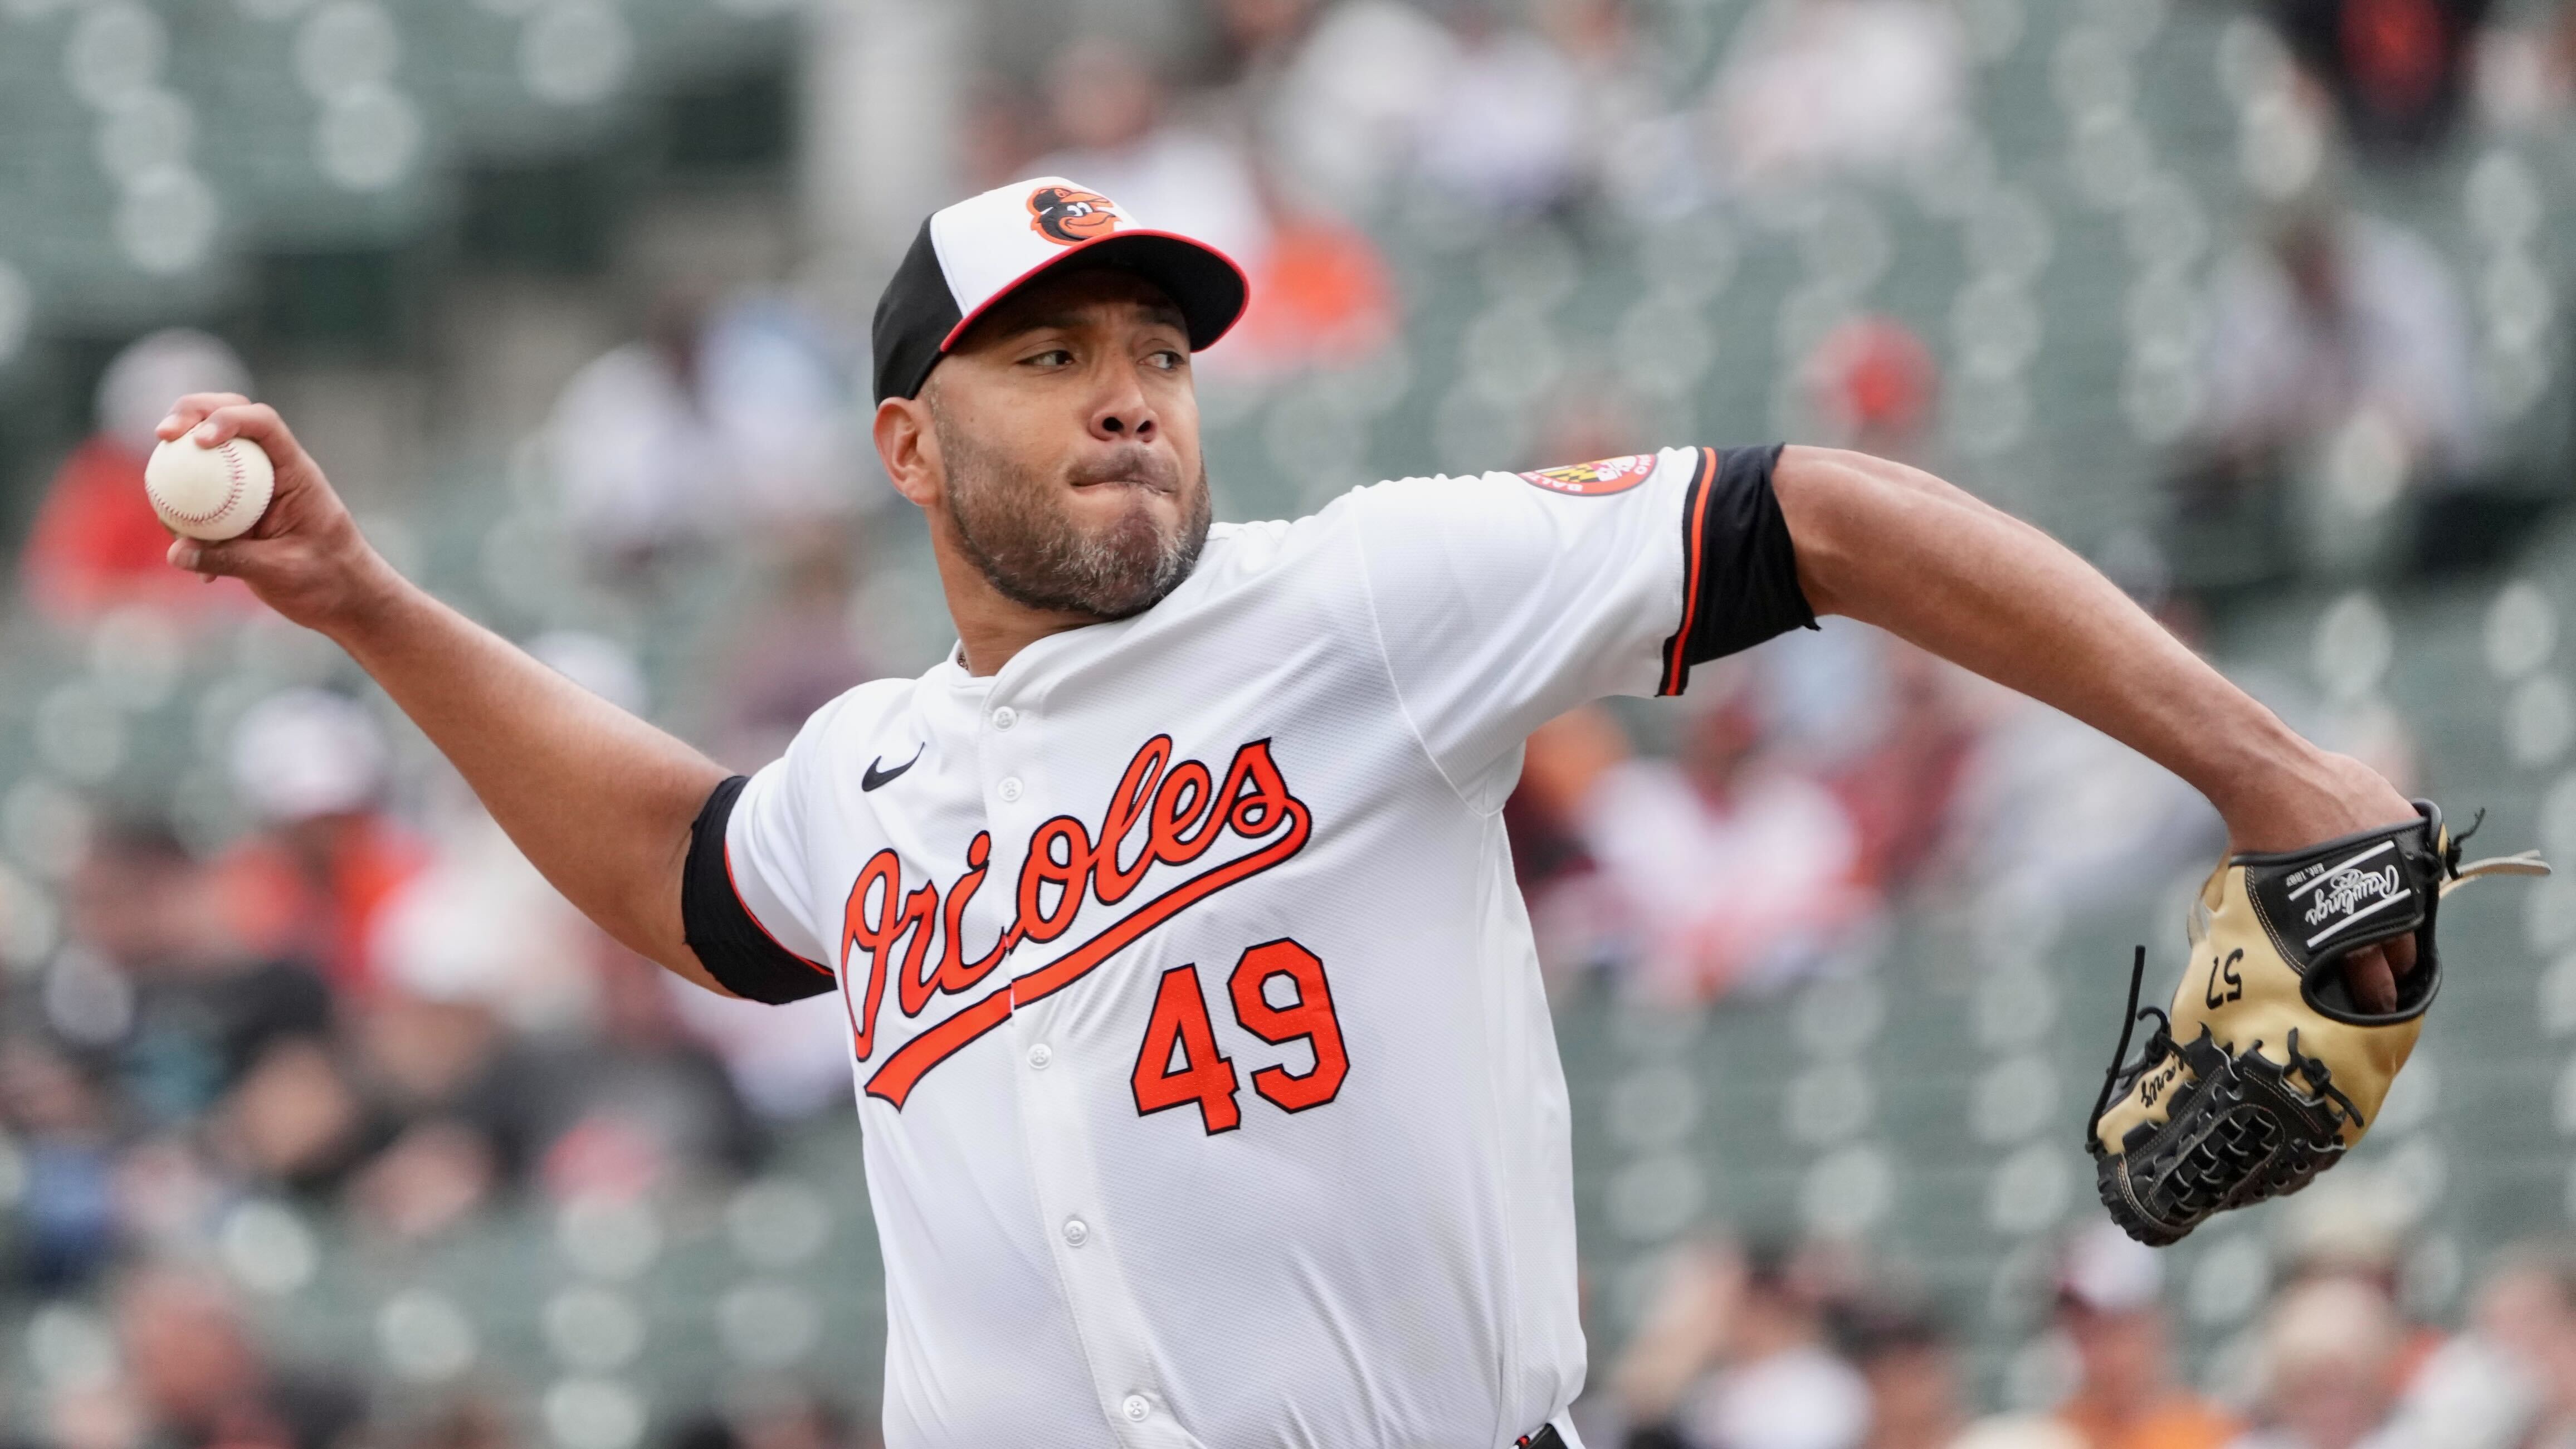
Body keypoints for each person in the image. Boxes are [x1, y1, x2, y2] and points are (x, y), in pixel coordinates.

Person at [152, 172, 2428, 1447]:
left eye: (1155, 353)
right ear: (904, 449)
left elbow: (1813, 512)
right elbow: (684, 871)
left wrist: (2279, 778)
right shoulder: (869, 778)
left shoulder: (1359, 601)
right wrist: (357, 597)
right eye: (1049, 359)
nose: (1129, 397)